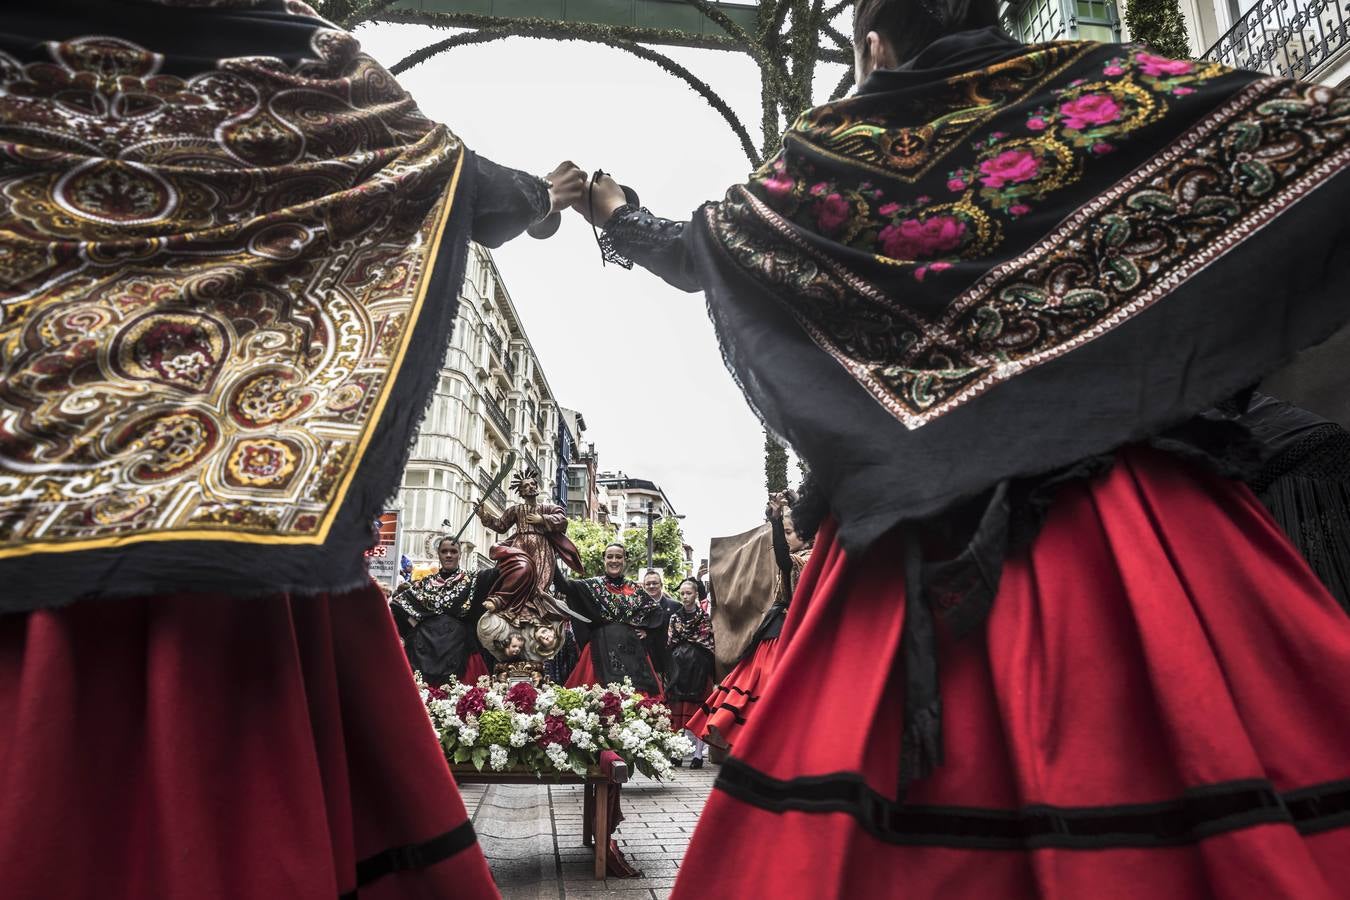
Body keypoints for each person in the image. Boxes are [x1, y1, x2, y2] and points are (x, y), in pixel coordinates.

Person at [572, 1, 1350, 895]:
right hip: (1141, 532)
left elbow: (719, 248)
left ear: (872, 42)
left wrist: (618, 212)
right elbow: (1304, 142)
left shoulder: (838, 154)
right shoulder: (1106, 94)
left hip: (918, 551)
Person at [0, 2, 587, 897]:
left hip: (29, 486)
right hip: (226, 523)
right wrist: (550, 195)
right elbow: (444, 174)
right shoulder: (287, 47)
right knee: (233, 811)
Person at [688, 491, 812, 751]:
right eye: (786, 532)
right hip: (776, 637)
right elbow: (783, 558)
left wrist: (788, 514)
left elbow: (789, 557)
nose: (787, 538)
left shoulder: (814, 557)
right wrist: (778, 519)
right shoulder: (795, 560)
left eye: (791, 532)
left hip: (803, 637)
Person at [475, 467, 587, 662]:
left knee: (538, 586)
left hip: (542, 550)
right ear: (521, 491)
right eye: (525, 486)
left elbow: (562, 520)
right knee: (521, 571)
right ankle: (506, 604)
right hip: (520, 547)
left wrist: (542, 519)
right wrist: (484, 516)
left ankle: (533, 615)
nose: (530, 487)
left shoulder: (547, 507)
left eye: (532, 484)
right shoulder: (516, 510)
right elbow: (500, 525)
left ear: (537, 487)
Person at [390, 537, 497, 686]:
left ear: (460, 554)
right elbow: (397, 605)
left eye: (453, 551)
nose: (448, 555)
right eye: (444, 551)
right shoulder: (424, 584)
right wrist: (416, 628)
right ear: (438, 554)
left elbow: (500, 572)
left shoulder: (472, 580)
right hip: (424, 652)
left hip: (461, 652)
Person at [666, 576, 716, 768]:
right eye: (683, 593)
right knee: (678, 709)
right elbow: (670, 642)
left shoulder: (704, 618)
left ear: (696, 594)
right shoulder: (674, 617)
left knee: (697, 710)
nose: (685, 597)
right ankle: (678, 752)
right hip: (679, 668)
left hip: (699, 669)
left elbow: (708, 643)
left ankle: (697, 755)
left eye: (689, 593)